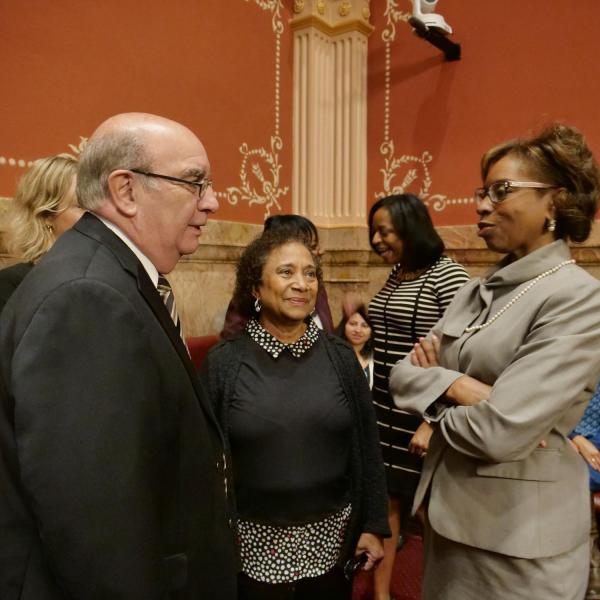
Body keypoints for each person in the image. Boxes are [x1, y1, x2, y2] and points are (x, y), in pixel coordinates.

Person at [0, 113, 237, 599]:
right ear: (126, 191)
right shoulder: (87, 296)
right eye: (195, 183)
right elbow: (94, 528)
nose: (212, 202)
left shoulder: (107, 273)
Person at [390, 124, 600, 600]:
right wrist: (461, 387)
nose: (482, 206)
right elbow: (402, 376)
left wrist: (436, 389)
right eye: (482, 192)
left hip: (517, 542)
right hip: (447, 520)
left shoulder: (578, 297)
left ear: (555, 202)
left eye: (501, 191)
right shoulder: (475, 288)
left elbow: (500, 430)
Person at [201, 228, 389, 599]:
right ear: (255, 288)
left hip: (331, 546)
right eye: (286, 272)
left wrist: (374, 523)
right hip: (250, 550)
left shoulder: (340, 358)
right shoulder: (223, 364)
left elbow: (368, 446)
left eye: (310, 273)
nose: (301, 284)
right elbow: (203, 460)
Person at [367, 193, 469, 600]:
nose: (376, 239)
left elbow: (465, 357)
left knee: (431, 515)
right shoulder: (398, 273)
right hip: (384, 410)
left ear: (412, 229)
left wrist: (432, 420)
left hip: (423, 416)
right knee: (386, 508)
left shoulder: (450, 277)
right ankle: (380, 596)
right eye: (372, 230)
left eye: (384, 230)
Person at [220, 214, 334, 338]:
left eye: (310, 274)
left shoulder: (316, 288)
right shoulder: (252, 295)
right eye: (310, 246)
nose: (319, 252)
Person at [0, 153, 82, 313]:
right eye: (81, 205)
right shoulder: (10, 286)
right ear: (46, 216)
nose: (96, 217)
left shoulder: (111, 277)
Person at [335, 304, 374, 388]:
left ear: (371, 332)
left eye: (364, 326)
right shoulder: (332, 354)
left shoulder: (375, 359)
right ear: (344, 326)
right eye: (353, 324)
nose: (358, 330)